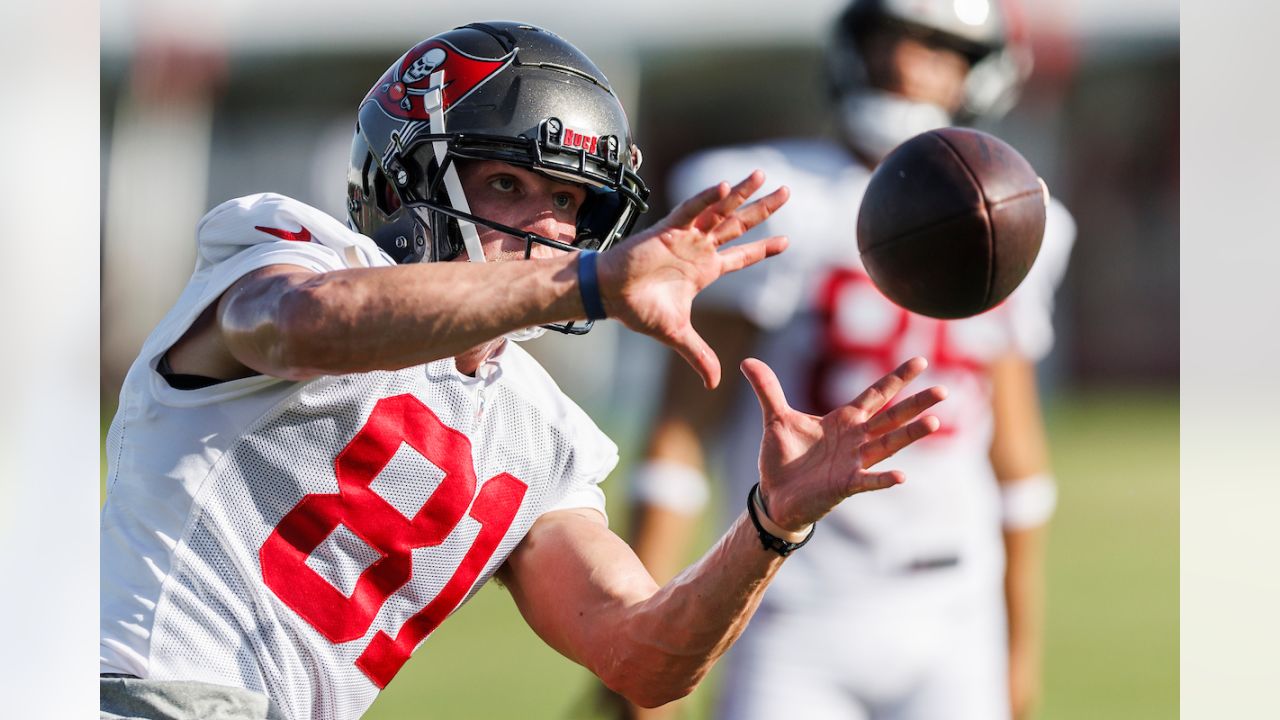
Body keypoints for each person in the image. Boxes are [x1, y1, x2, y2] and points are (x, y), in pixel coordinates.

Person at [98, 21, 947, 720]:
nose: (547, 227)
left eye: (572, 205)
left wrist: (771, 524)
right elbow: (301, 326)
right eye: (508, 183)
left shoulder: (544, 436)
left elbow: (643, 656)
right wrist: (591, 282)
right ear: (404, 184)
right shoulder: (286, 252)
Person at [619, 2, 1076, 719]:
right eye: (891, 39)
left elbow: (1016, 461)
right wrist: (641, 630)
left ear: (982, 74)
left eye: (940, 47)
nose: (905, 63)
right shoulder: (767, 194)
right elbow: (680, 436)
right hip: (792, 605)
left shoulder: (1016, 215)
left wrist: (1020, 655)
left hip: (956, 611)